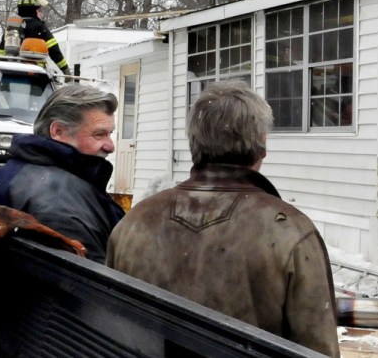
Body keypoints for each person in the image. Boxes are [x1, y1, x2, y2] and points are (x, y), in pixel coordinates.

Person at [105, 81, 340, 357]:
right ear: (261, 147)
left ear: (194, 143)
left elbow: (110, 327)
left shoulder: (134, 222)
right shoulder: (291, 231)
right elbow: (316, 348)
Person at [0, 85, 124, 263]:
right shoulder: (57, 199)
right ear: (58, 131)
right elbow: (91, 282)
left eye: (110, 134)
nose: (110, 146)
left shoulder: (15, 170)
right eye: (99, 134)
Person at [0, 0, 71, 75]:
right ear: (33, 11)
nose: (41, 14)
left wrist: (3, 66)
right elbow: (54, 50)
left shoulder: (12, 27)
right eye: (39, 10)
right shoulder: (39, 26)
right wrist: (65, 69)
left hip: (12, 70)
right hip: (35, 72)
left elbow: (2, 49)